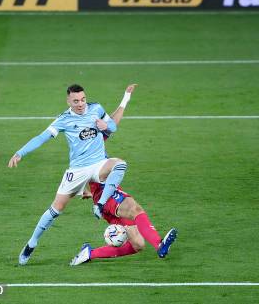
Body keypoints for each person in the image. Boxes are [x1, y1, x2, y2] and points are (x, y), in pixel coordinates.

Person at [8, 84, 131, 265]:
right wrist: (20, 153)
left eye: (82, 99)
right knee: (56, 209)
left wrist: (106, 125)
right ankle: (31, 244)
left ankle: (100, 205)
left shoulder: (96, 108)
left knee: (120, 164)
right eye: (76, 101)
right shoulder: (64, 119)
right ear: (68, 101)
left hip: (99, 164)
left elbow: (112, 127)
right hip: (78, 170)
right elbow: (41, 137)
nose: (81, 104)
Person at [70, 84, 178, 265]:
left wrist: (126, 98)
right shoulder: (81, 152)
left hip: (102, 197)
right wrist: (82, 191)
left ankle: (89, 253)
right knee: (135, 209)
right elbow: (74, 175)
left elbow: (112, 123)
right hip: (107, 194)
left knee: (138, 244)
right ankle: (160, 245)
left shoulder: (95, 137)